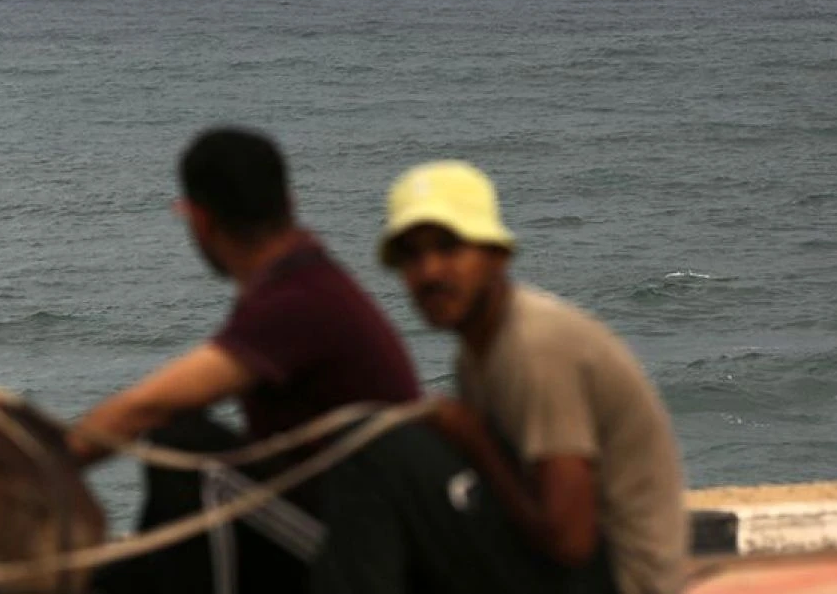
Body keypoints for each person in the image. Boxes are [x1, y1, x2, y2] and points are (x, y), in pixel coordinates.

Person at [69, 127, 422, 594]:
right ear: (290, 204)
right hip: (340, 524)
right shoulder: (307, 280)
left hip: (365, 557)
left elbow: (148, 405)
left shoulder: (298, 299)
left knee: (184, 447)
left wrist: (37, 467)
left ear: (199, 220)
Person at [311, 160, 685, 594]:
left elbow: (570, 541)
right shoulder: (480, 351)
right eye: (411, 256)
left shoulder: (535, 348)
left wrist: (473, 440)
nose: (429, 272)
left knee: (374, 448)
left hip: (616, 581)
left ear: (496, 256)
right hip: (572, 566)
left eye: (448, 248)